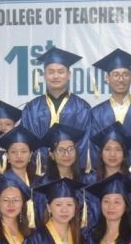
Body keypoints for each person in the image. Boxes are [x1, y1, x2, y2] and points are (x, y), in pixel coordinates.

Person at [19, 46, 93, 174]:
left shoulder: (82, 108)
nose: (56, 76)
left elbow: (85, 143)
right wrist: (46, 160)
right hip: (39, 174)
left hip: (73, 174)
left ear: (69, 75)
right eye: (51, 71)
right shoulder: (32, 109)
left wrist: (69, 163)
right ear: (44, 75)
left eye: (60, 71)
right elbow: (27, 143)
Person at [90, 48, 131, 167]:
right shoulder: (96, 113)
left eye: (125, 74)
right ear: (107, 78)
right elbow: (94, 146)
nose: (121, 79)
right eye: (116, 75)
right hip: (105, 176)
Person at [82, 122, 131, 228]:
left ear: (124, 154)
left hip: (127, 239)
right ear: (101, 153)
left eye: (118, 149)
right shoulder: (88, 181)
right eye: (107, 149)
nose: (112, 154)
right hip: (92, 239)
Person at [33, 123, 86, 225]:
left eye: (71, 149)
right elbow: (41, 218)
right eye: (60, 150)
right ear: (51, 155)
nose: (66, 154)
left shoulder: (87, 181)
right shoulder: (42, 185)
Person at [0, 125, 41, 229]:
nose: (19, 156)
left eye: (23, 151)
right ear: (8, 156)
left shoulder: (39, 183)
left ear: (30, 155)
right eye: (13, 152)